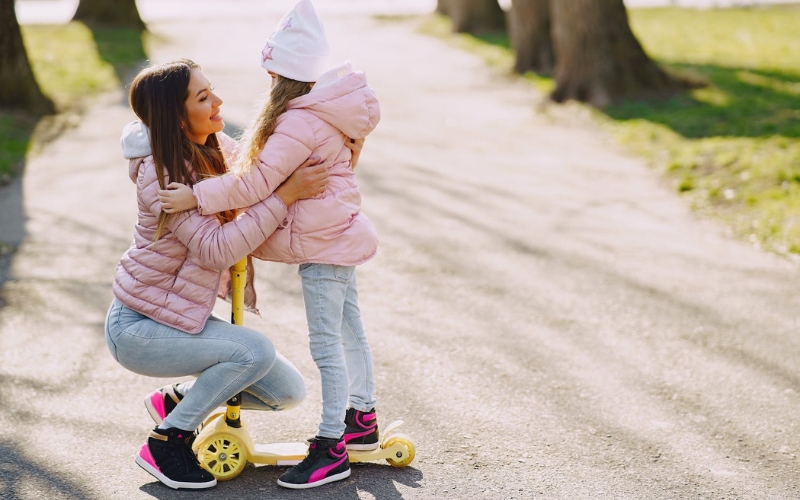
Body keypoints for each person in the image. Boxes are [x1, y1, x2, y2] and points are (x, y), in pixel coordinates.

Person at [158, 0, 381, 489]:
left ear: (283, 74)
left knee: (327, 344)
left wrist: (194, 194)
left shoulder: (299, 121)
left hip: (326, 244)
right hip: (338, 234)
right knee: (349, 332)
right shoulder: (325, 112)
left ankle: (330, 447)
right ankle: (361, 420)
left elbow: (255, 183)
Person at [105, 58, 331, 491]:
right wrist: (287, 196)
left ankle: (177, 401)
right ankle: (168, 441)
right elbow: (216, 248)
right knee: (253, 352)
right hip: (139, 327)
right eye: (203, 96)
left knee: (286, 392)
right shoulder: (160, 174)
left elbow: (257, 175)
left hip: (179, 319)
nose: (218, 101)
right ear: (176, 115)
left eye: (212, 90)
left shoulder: (213, 147)